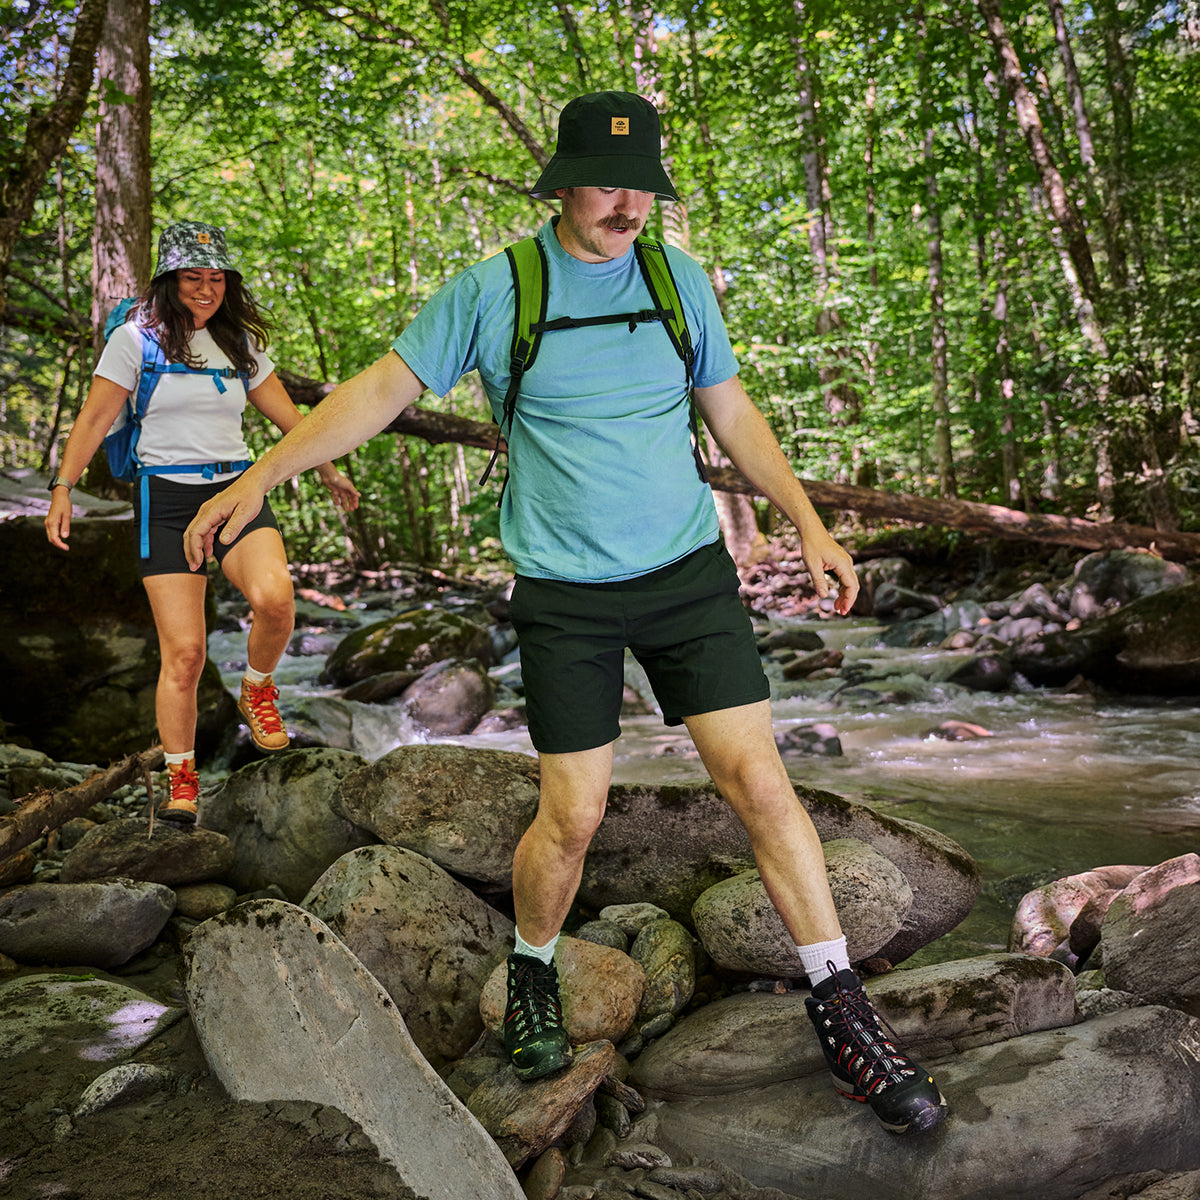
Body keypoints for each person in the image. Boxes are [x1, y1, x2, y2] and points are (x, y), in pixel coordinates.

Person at [182, 94, 948, 1134]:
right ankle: (535, 965)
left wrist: (807, 520)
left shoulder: (677, 283)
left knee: (761, 783)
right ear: (561, 183)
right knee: (575, 813)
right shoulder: (497, 291)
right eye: (607, 182)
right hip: (564, 595)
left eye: (643, 185)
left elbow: (731, 409)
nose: (629, 203)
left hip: (685, 576)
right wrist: (262, 476)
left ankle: (841, 1006)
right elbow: (374, 392)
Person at [46, 220, 360, 821]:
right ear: (169, 280)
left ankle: (258, 686)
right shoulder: (135, 341)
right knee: (186, 654)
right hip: (163, 500)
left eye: (217, 278)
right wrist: (62, 487)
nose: (207, 289)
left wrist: (327, 469)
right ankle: (182, 777)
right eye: (194, 277)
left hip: (236, 489)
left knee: (275, 600)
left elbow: (293, 421)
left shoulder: (239, 343)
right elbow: (91, 420)